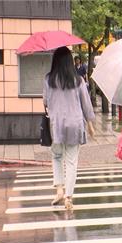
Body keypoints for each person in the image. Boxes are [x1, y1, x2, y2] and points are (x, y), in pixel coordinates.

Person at [43, 47, 95, 210]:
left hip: (56, 124)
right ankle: (68, 197)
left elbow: (45, 102)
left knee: (57, 157)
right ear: (70, 61)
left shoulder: (48, 80)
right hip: (75, 124)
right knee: (71, 161)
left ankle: (59, 190)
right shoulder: (78, 80)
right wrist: (91, 125)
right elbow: (86, 104)